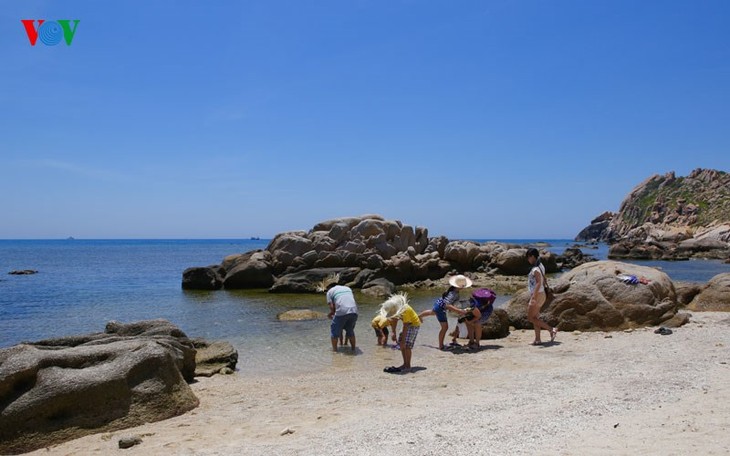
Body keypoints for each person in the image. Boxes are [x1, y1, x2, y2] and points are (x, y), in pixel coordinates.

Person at [418, 274, 472, 350]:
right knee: (445, 327)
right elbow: (447, 305)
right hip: (441, 308)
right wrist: (459, 310)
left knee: (432, 312)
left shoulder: (452, 290)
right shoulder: (453, 293)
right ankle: (441, 346)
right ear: (461, 286)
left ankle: (419, 316)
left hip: (438, 303)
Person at [380, 292, 420, 374]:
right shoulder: (396, 309)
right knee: (401, 344)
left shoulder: (405, 310)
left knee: (407, 345)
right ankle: (404, 364)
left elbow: (406, 325)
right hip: (407, 324)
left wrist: (404, 340)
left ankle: (408, 366)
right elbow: (394, 320)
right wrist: (393, 332)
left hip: (413, 324)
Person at [525, 248, 557, 345]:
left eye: (528, 257)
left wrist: (534, 297)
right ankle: (538, 339)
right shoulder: (541, 266)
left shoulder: (535, 269)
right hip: (541, 293)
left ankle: (551, 329)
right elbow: (544, 279)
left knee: (531, 318)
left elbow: (538, 283)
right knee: (535, 317)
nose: (528, 259)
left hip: (538, 294)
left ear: (533, 256)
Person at [325, 281, 359, 352]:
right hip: (354, 311)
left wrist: (331, 314)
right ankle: (353, 349)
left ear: (329, 287)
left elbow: (331, 307)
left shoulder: (329, 292)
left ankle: (335, 351)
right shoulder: (347, 288)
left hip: (342, 311)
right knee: (350, 330)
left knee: (334, 332)